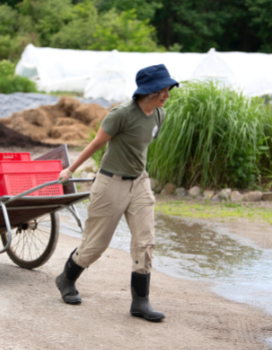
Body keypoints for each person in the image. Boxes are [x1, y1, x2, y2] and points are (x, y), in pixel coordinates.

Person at [55, 64, 178, 322]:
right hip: (111, 183)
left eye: (168, 88)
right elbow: (96, 143)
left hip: (140, 183)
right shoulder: (121, 114)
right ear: (149, 91)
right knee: (95, 246)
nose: (167, 93)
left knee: (145, 241)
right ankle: (66, 279)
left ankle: (140, 302)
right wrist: (70, 169)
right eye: (163, 89)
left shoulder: (159, 115)